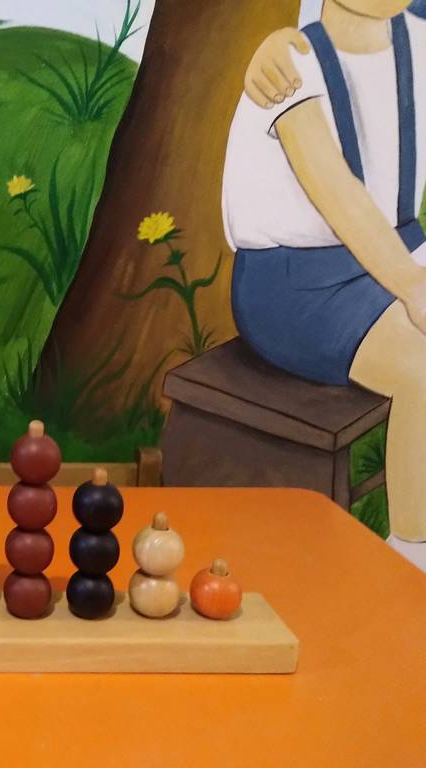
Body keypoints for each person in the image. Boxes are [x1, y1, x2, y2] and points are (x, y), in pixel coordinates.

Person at [222, 0, 426, 541]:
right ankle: (413, 557)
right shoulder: (291, 64)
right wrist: (413, 288)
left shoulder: (416, 33)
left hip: (398, 247)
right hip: (294, 284)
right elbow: (340, 198)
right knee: (422, 368)